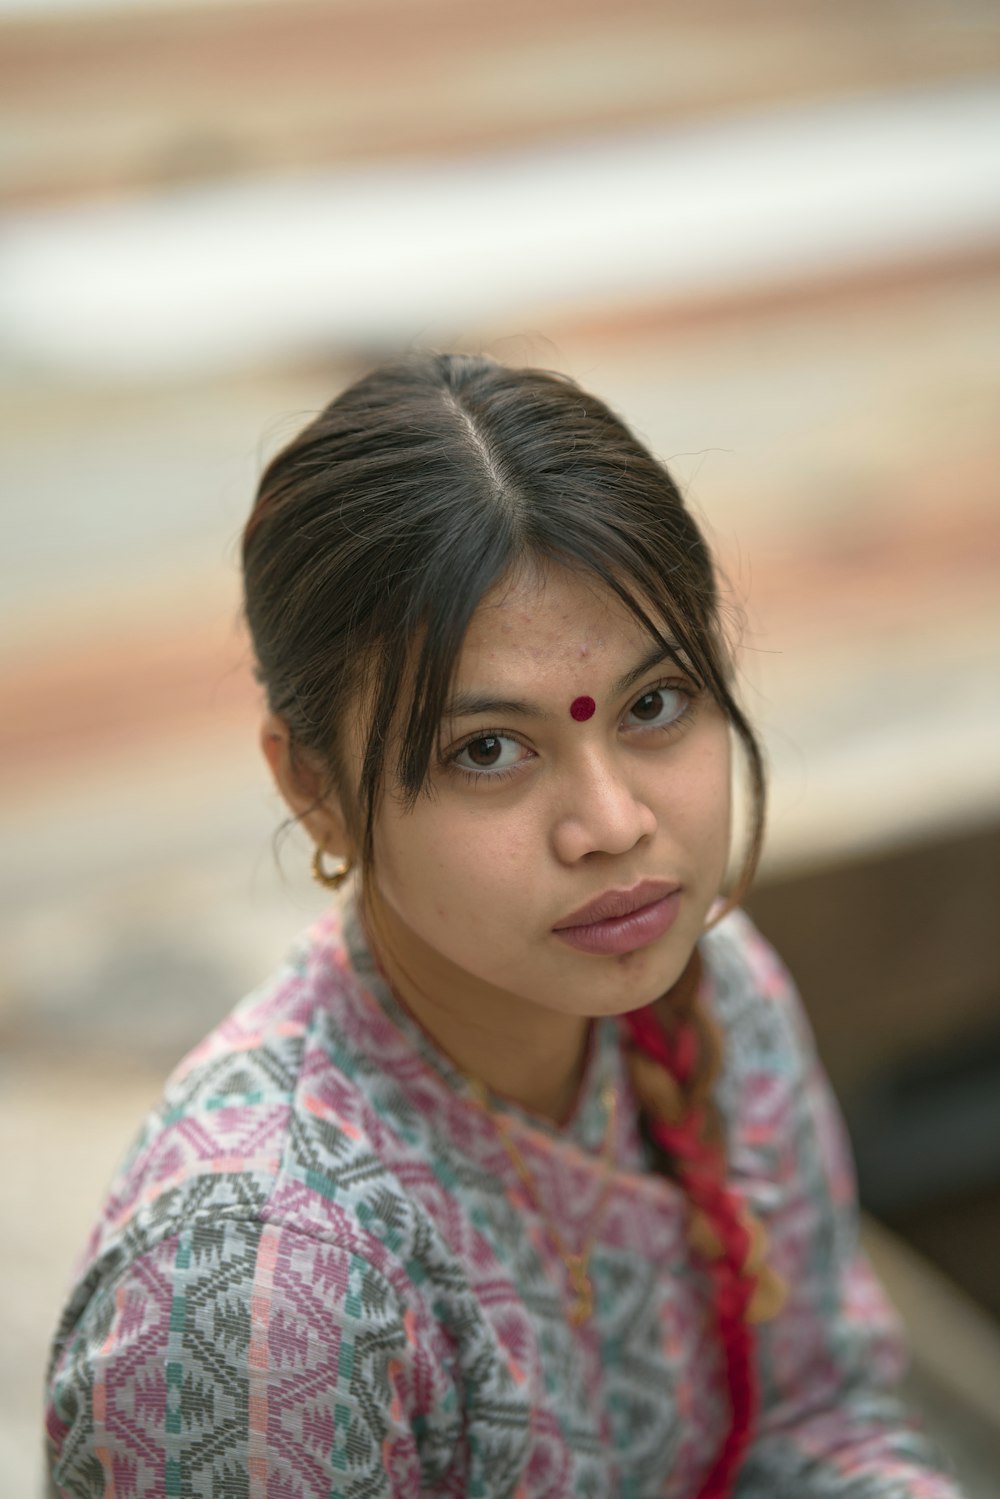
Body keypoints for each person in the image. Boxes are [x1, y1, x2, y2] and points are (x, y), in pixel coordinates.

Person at [45, 354, 960, 1498]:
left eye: (655, 704)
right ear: (314, 786)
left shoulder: (717, 993)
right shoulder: (264, 1289)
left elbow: (817, 1413)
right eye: (487, 748)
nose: (613, 823)